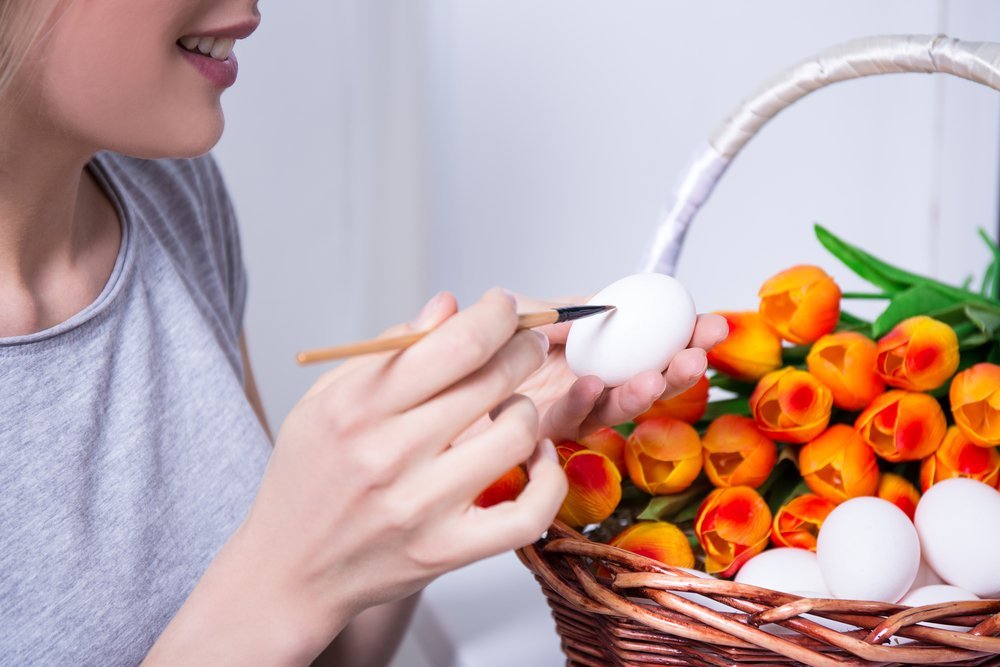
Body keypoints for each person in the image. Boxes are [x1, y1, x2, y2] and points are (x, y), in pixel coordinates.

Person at [0, 1, 727, 664]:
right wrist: (284, 576)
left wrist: (442, 458)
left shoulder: (167, 196)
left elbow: (327, 658)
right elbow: (276, 599)